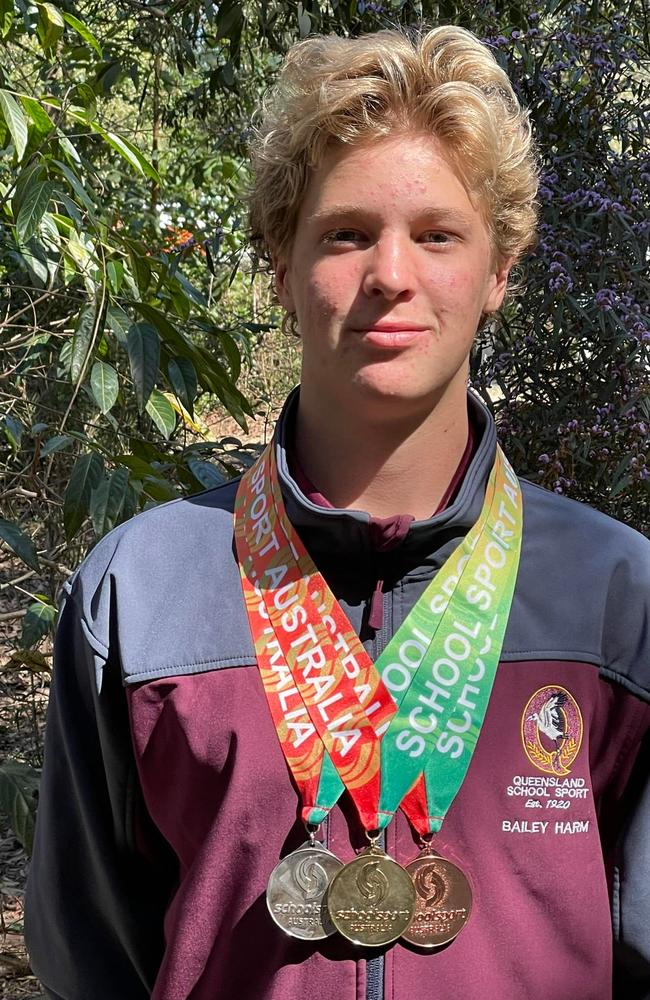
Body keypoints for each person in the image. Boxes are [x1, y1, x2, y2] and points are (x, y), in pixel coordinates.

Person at [25, 22, 650, 1000]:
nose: (390, 276)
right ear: (280, 264)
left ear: (496, 273)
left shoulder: (616, 599)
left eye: (437, 234)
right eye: (345, 234)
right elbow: (94, 958)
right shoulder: (136, 595)